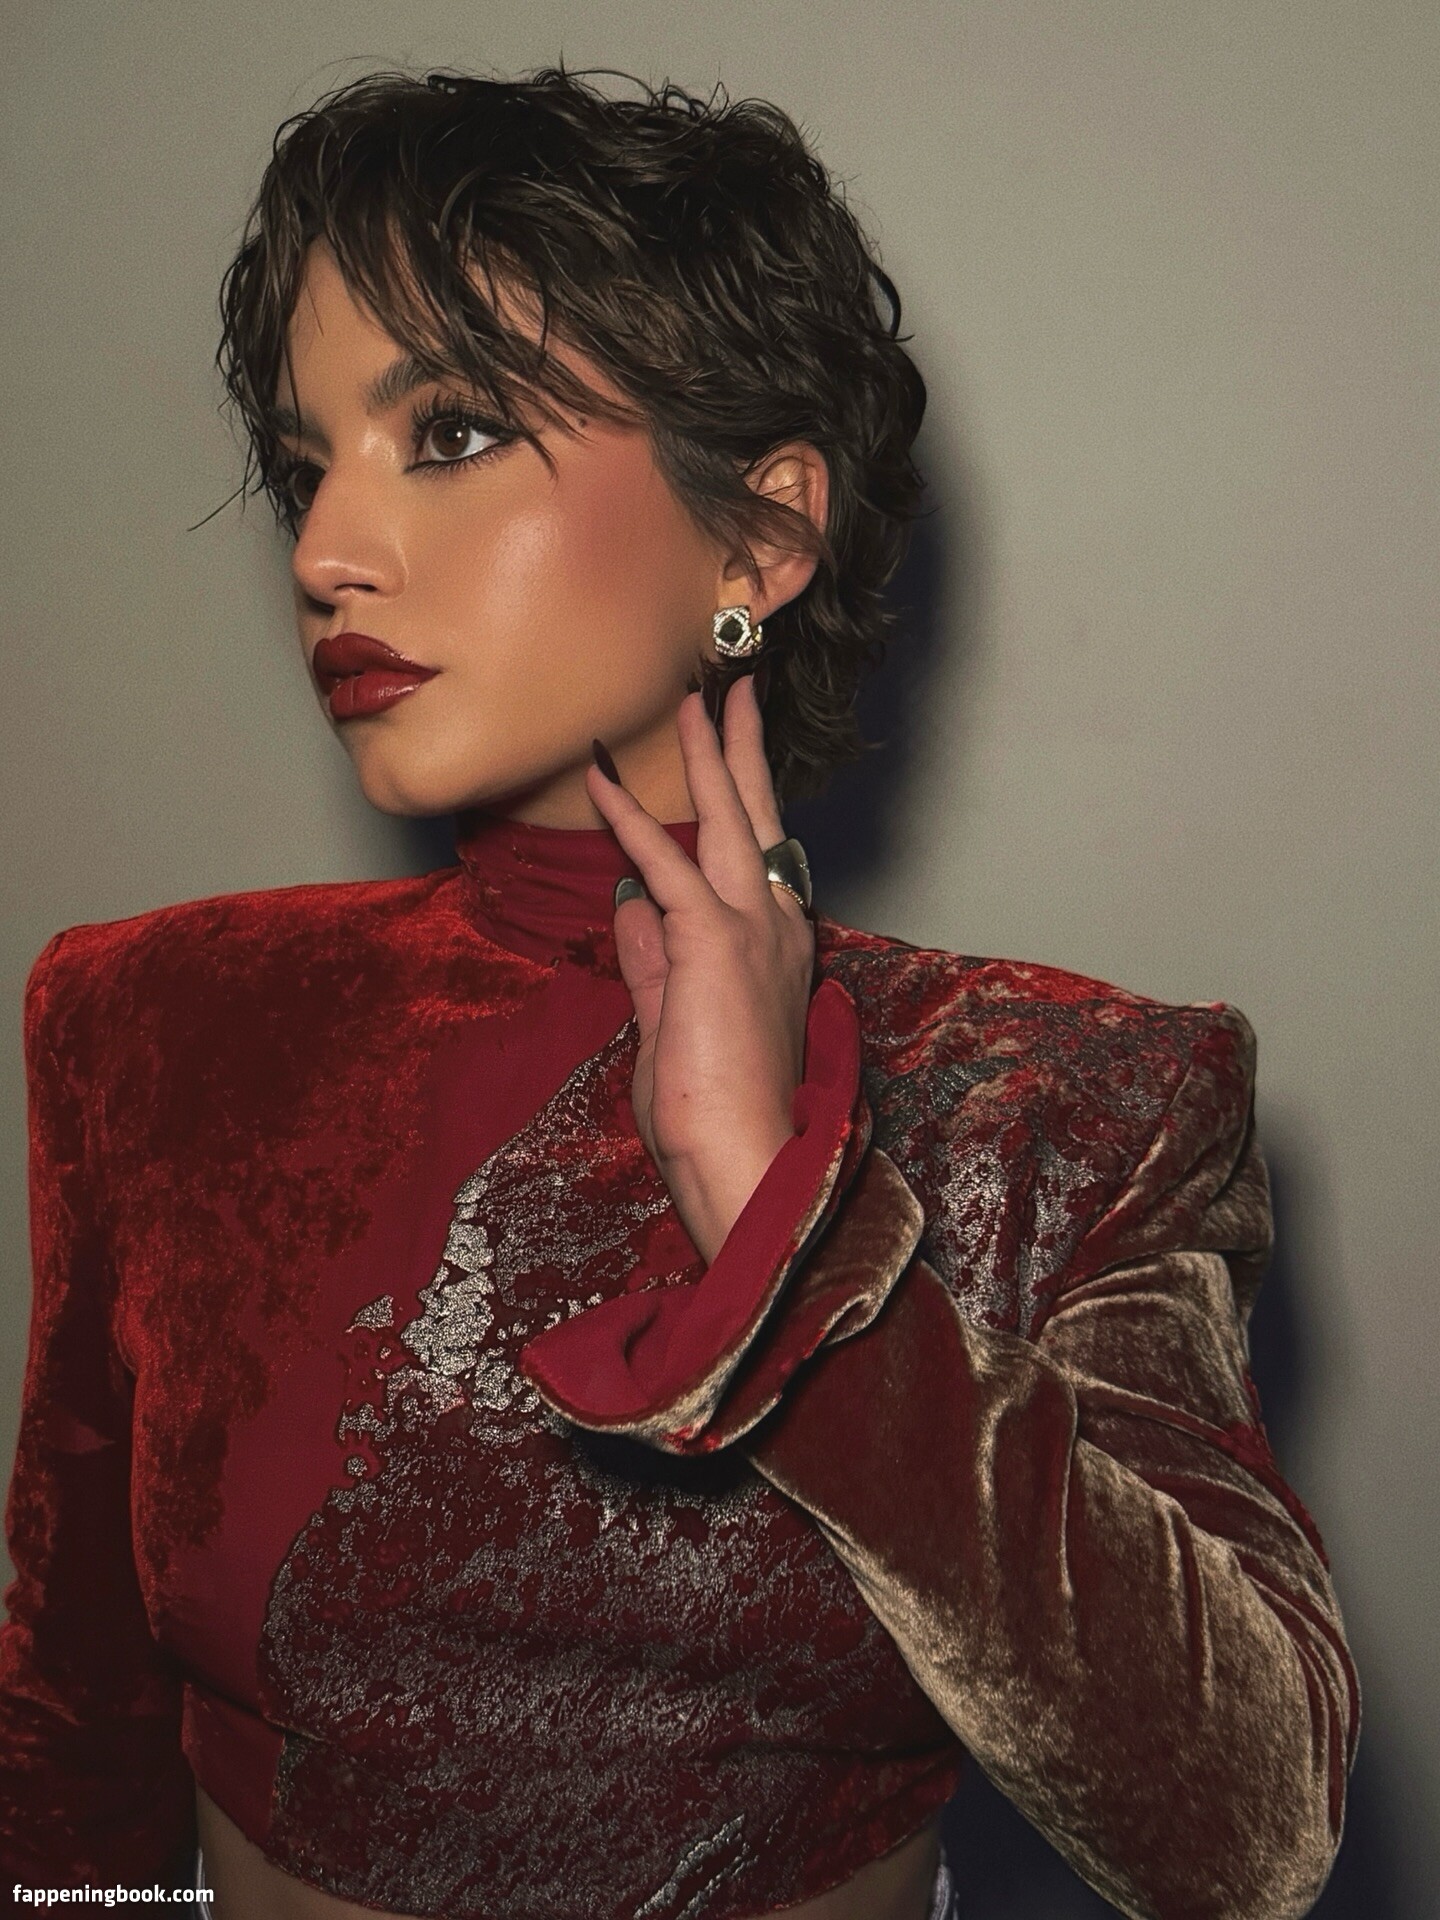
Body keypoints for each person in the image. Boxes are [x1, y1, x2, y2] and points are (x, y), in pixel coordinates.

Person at [0, 65, 1358, 1920]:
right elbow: (68, 1747)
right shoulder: (161, 1023)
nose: (322, 554)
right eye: (308, 467)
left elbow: (1253, 1838)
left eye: (451, 430)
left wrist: (779, 1221)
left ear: (760, 538)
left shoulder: (1068, 1100)